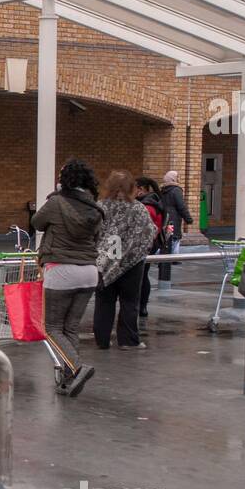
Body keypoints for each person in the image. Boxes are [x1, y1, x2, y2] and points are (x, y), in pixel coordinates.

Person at [32, 158, 103, 397]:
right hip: (89, 272)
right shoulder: (95, 208)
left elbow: (36, 222)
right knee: (70, 327)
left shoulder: (57, 203)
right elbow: (97, 238)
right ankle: (68, 378)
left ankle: (77, 367)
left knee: (51, 327)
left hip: (61, 270)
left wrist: (55, 195)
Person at [94, 170, 156, 350]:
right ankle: (128, 340)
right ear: (132, 188)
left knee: (104, 302)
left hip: (104, 262)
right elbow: (148, 233)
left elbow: (92, 232)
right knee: (129, 302)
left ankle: (102, 340)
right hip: (131, 263)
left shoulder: (100, 207)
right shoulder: (138, 209)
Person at [135, 176, 165, 319]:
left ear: (141, 189)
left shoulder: (146, 206)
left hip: (145, 244)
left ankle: (140, 306)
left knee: (140, 275)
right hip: (152, 244)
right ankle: (142, 306)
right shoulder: (156, 201)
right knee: (144, 274)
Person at [159, 170, 194, 254]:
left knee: (166, 237)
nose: (179, 179)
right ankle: (174, 258)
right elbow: (181, 206)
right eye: (178, 177)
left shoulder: (162, 190)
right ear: (174, 179)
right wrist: (188, 219)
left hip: (164, 217)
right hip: (174, 218)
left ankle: (163, 257)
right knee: (174, 237)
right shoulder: (176, 190)